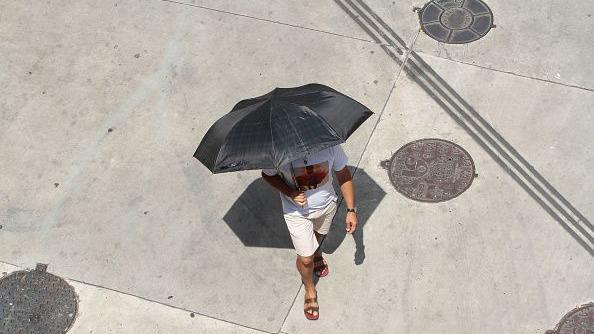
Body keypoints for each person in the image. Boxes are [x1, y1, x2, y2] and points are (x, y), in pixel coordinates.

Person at [261, 144, 358, 320]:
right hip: (296, 213)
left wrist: (351, 210)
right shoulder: (276, 152)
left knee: (318, 239)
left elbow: (343, 175)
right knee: (306, 260)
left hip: (328, 206)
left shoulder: (330, 146)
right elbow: (267, 175)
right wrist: (289, 192)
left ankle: (317, 252)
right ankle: (309, 289)